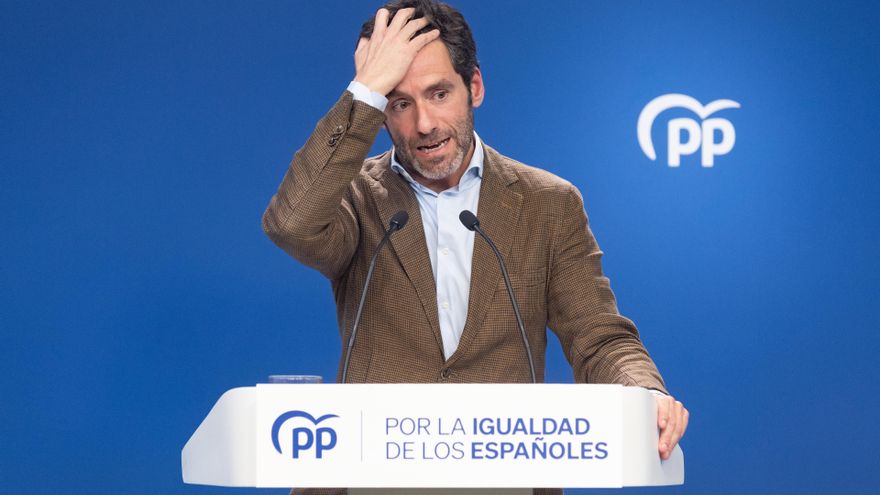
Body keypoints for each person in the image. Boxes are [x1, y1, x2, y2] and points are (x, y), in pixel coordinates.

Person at [262, 0, 689, 487]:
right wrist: (364, 92)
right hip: (369, 481)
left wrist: (644, 394)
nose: (424, 124)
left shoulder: (548, 204)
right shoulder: (355, 198)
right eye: (399, 103)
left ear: (475, 87)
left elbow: (599, 339)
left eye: (439, 93)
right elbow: (291, 224)